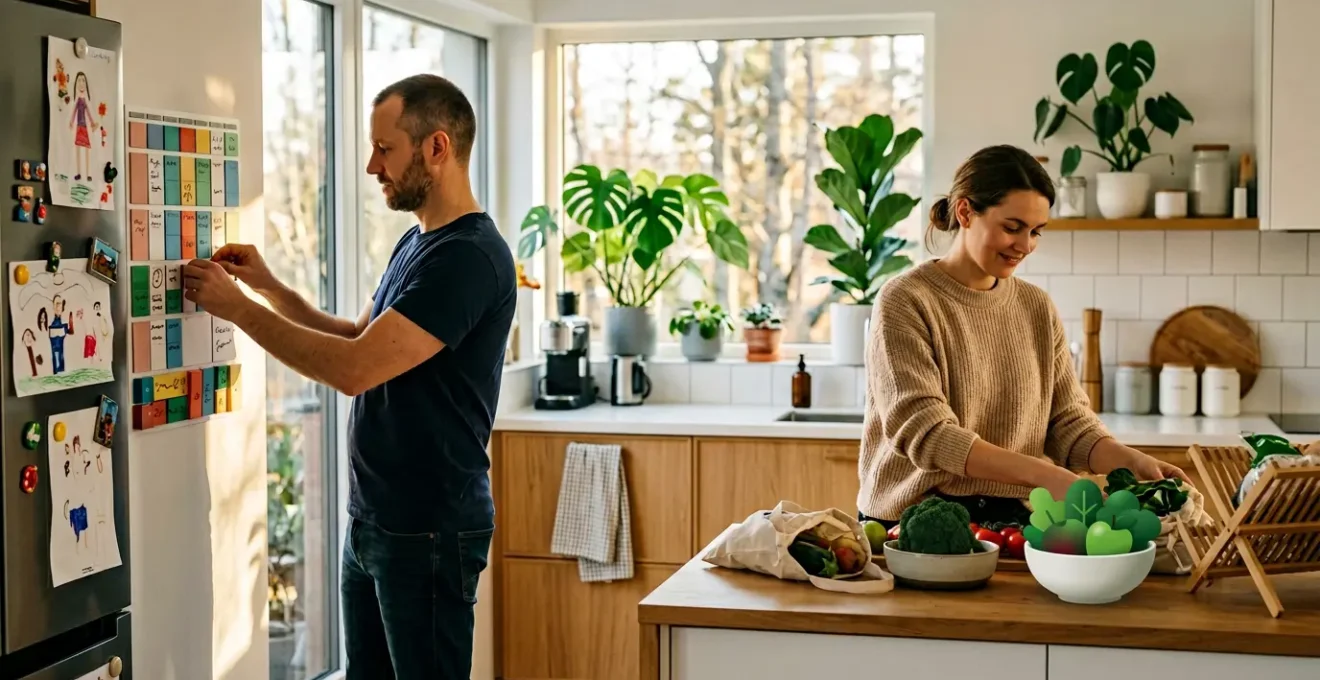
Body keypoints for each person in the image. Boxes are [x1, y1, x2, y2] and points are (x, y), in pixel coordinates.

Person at [181, 73, 515, 679]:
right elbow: (356, 338)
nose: (371, 166)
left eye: (385, 149)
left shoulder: (468, 259)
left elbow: (354, 371)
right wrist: (269, 287)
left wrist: (237, 309)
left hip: (428, 532)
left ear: (436, 149)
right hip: (374, 524)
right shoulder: (418, 244)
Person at [858, 145, 1188, 530]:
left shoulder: (1036, 307)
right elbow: (926, 433)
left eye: (1035, 232)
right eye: (1012, 228)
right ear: (965, 212)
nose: (1025, 245)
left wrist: (1130, 460)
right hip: (916, 519)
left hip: (1013, 515)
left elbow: (1066, 421)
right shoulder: (905, 300)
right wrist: (1043, 475)